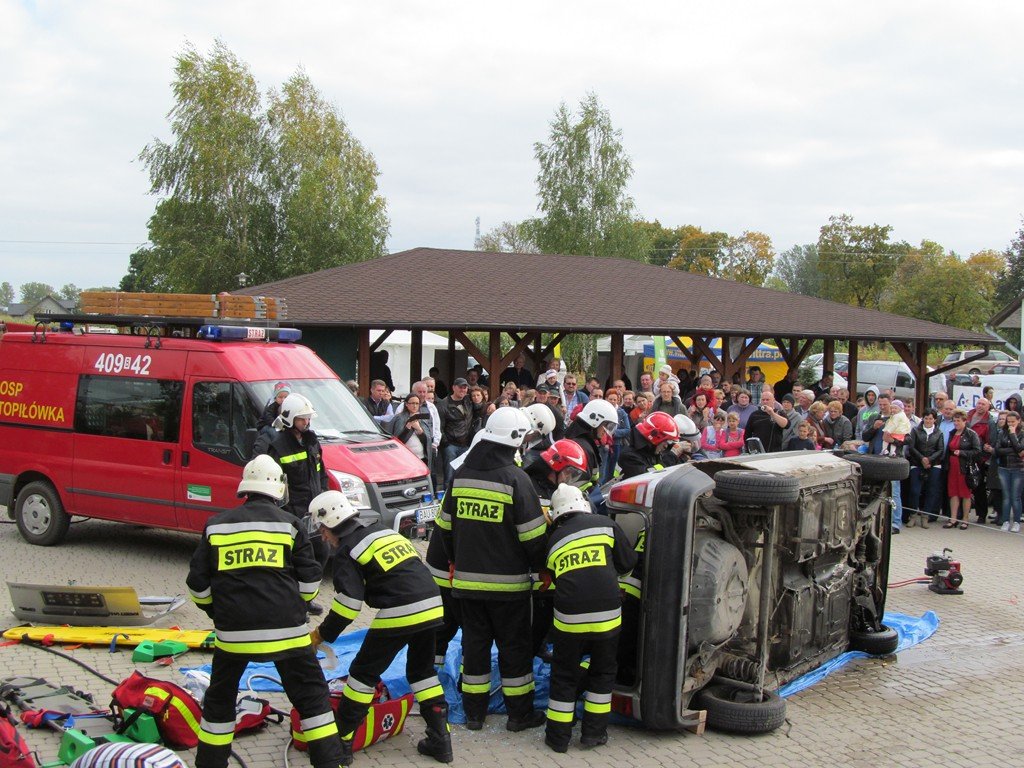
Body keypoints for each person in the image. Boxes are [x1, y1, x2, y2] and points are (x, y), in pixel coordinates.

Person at [186, 456, 347, 768]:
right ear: (279, 489)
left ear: (245, 489)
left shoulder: (216, 525)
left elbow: (196, 583)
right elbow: (311, 578)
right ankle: (329, 762)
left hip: (233, 635)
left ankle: (210, 764)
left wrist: (216, 613)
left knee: (219, 701)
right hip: (288, 633)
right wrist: (297, 606)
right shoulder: (290, 525)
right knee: (312, 696)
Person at [308, 491, 452, 764]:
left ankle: (342, 744)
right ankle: (441, 741)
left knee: (362, 674)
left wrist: (321, 635)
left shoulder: (347, 550)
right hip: (433, 603)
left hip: (401, 608)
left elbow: (349, 605)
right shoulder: (381, 532)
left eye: (323, 531)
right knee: (422, 672)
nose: (324, 537)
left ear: (332, 524)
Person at [435, 407, 547, 732]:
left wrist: (457, 559)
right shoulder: (517, 479)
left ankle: (473, 715)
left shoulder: (462, 475)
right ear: (514, 440)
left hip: (467, 586)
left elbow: (443, 527)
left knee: (475, 648)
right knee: (514, 650)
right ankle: (519, 715)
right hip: (509, 589)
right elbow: (533, 536)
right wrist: (542, 569)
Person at [542, 484, 637, 753]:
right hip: (608, 616)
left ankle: (557, 738)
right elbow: (627, 562)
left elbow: (553, 577)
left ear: (556, 513)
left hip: (569, 619)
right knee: (603, 673)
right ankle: (593, 735)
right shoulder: (605, 524)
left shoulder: (553, 541)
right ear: (583, 504)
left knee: (564, 675)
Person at [260, 393, 330, 579]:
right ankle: (293, 594)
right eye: (302, 419)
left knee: (322, 552)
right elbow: (275, 485)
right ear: (290, 419)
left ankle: (307, 595)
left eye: (308, 418)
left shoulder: (311, 441)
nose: (307, 422)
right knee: (296, 557)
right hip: (293, 512)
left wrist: (324, 494)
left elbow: (321, 473)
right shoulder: (278, 446)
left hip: (314, 510)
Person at [905, 408, 945, 529]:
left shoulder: (939, 433)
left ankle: (925, 516)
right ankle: (912, 515)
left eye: (931, 418)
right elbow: (911, 447)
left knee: (931, 491)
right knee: (915, 491)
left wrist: (930, 460)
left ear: (934, 420)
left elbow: (940, 449)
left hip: (934, 465)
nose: (928, 421)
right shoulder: (916, 430)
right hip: (917, 463)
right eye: (926, 418)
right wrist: (922, 459)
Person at [617, 411, 683, 479]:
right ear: (656, 437)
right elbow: (652, 477)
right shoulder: (629, 456)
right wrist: (673, 455)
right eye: (666, 441)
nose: (666, 446)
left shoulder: (651, 451)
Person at [944, 409, 981, 530]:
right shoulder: (952, 432)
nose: (956, 423)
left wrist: (962, 453)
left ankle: (965, 519)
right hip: (952, 467)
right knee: (953, 493)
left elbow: (977, 451)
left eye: (958, 421)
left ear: (965, 421)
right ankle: (953, 518)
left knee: (965, 494)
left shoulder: (971, 434)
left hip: (964, 468)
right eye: (954, 421)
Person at [437, 377, 473, 488]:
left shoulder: (469, 401)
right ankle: (447, 501)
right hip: (450, 445)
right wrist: (445, 443)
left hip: (466, 444)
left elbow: (481, 404)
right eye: (460, 387)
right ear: (453, 387)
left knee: (464, 475)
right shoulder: (443, 404)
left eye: (465, 387)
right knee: (449, 476)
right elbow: (439, 426)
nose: (463, 390)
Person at [967, 398, 997, 524]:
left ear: (988, 406)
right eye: (979, 403)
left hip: (979, 458)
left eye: (983, 404)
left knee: (979, 488)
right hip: (965, 456)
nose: (980, 406)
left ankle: (981, 514)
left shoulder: (989, 421)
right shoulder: (968, 415)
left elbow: (991, 440)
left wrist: (984, 454)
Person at [391, 393, 434, 478]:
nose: (415, 406)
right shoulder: (400, 418)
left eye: (417, 403)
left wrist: (419, 430)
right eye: (412, 403)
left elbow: (427, 440)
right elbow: (398, 441)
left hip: (421, 457)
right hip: (405, 458)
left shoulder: (421, 418)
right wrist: (408, 427)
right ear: (406, 404)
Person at [994, 410, 1024, 532]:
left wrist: (1012, 435)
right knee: (1006, 496)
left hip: (1018, 468)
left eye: (1013, 422)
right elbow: (997, 450)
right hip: (1003, 467)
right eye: (1009, 422)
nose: (1010, 424)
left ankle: (1016, 521)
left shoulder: (1022, 433)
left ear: (1019, 421)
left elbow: (1020, 449)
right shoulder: (1002, 432)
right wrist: (1013, 450)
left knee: (1015, 496)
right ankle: (1005, 520)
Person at [252, 381, 292, 457]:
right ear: (275, 398)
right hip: (265, 426)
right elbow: (269, 418)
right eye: (280, 397)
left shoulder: (289, 406)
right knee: (275, 433)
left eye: (286, 397)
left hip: (278, 425)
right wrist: (278, 425)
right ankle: (279, 445)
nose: (283, 399)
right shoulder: (272, 406)